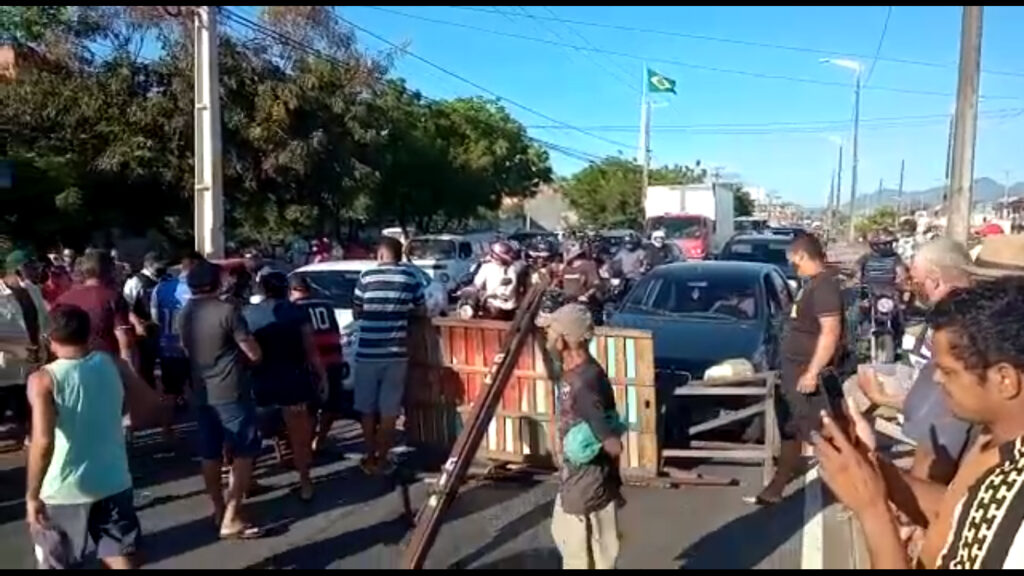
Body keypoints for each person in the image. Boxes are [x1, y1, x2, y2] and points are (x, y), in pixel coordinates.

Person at [816, 274, 1024, 569]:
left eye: (949, 371)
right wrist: (870, 467)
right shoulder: (995, 443)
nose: (937, 379)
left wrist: (873, 511)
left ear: (1004, 379)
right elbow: (958, 513)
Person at [25, 304, 163, 569]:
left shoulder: (43, 380)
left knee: (59, 561)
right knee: (118, 553)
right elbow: (150, 403)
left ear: (50, 338)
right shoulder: (112, 362)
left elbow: (43, 442)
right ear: (88, 334)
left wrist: (32, 495)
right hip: (113, 478)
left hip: (62, 489)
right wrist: (121, 416)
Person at [847, 238, 974, 485]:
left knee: (853, 396)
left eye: (915, 282)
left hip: (934, 437)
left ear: (936, 280)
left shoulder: (955, 325)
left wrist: (882, 399)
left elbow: (945, 419)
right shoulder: (950, 314)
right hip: (921, 404)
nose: (910, 287)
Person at [753, 233, 844, 505]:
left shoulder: (825, 287)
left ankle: (853, 489)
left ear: (803, 256)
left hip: (806, 372)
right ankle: (777, 487)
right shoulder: (811, 285)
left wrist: (812, 372)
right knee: (792, 427)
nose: (793, 267)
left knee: (822, 433)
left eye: (794, 261)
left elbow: (830, 332)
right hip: (793, 370)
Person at [178, 260, 264, 539]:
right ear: (215, 283)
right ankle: (232, 513)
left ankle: (217, 508)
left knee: (210, 452)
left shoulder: (185, 313)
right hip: (231, 391)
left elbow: (184, 349)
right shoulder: (229, 312)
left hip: (202, 391)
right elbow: (254, 353)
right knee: (243, 451)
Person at [541, 303, 624, 570]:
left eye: (551, 331)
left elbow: (611, 441)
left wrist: (591, 446)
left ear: (565, 340)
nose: (547, 337)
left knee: (584, 551)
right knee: (580, 541)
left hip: (587, 477)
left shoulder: (584, 382)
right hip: (581, 476)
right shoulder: (577, 371)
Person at [243, 269, 325, 501]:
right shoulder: (297, 313)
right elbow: (311, 350)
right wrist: (322, 377)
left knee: (253, 437)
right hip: (294, 380)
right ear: (286, 289)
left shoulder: (248, 314)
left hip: (260, 382)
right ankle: (305, 482)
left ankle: (246, 481)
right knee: (300, 438)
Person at [352, 236, 425, 475]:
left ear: (381, 255)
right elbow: (421, 309)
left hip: (367, 352)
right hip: (396, 352)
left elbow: (357, 311)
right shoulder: (410, 278)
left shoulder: (365, 277)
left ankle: (369, 454)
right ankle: (382, 459)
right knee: (389, 410)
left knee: (366, 408)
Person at [289, 274, 349, 455]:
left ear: (292, 290)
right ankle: (320, 439)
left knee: (309, 408)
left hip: (311, 364)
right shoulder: (326, 306)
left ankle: (306, 445)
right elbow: (336, 332)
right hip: (333, 359)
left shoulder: (293, 309)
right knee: (332, 406)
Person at [55, 250, 134, 367]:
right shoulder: (113, 297)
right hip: (105, 365)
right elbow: (124, 339)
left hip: (69, 366)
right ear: (109, 270)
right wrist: (128, 371)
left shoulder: (62, 299)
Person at [123, 252, 166, 389]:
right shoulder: (135, 281)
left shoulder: (164, 279)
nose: (163, 267)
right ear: (149, 265)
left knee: (167, 363)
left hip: (164, 328)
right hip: (145, 330)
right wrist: (137, 324)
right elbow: (126, 306)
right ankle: (149, 392)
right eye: (159, 265)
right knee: (147, 365)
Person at [471, 240, 526, 319]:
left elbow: (510, 287)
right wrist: (472, 291)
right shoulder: (487, 267)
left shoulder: (514, 267)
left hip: (510, 306)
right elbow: (477, 284)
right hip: (493, 305)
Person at [559, 239, 601, 304]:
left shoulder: (588, 265)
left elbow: (595, 285)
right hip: (567, 303)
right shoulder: (566, 268)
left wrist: (586, 296)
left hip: (584, 304)